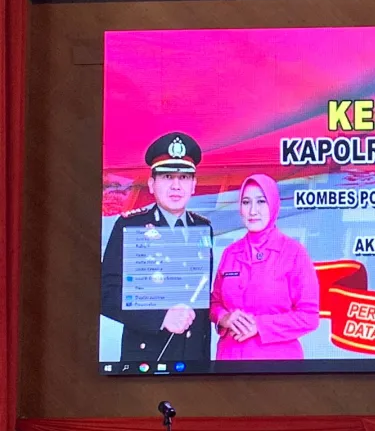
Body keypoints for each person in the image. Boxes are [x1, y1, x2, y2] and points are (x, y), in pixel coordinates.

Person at [101, 132, 213, 363]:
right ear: (152, 184)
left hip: (194, 358)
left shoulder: (203, 228)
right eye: (167, 176)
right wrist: (160, 318)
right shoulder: (130, 226)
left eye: (184, 177)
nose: (176, 186)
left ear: (194, 185)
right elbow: (105, 294)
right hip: (147, 357)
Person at [209, 173, 320, 360]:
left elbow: (309, 317)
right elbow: (215, 302)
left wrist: (260, 326)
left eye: (261, 202)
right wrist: (223, 317)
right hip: (229, 360)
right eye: (246, 202)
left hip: (277, 364)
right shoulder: (230, 253)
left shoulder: (293, 252)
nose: (253, 211)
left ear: (274, 204)